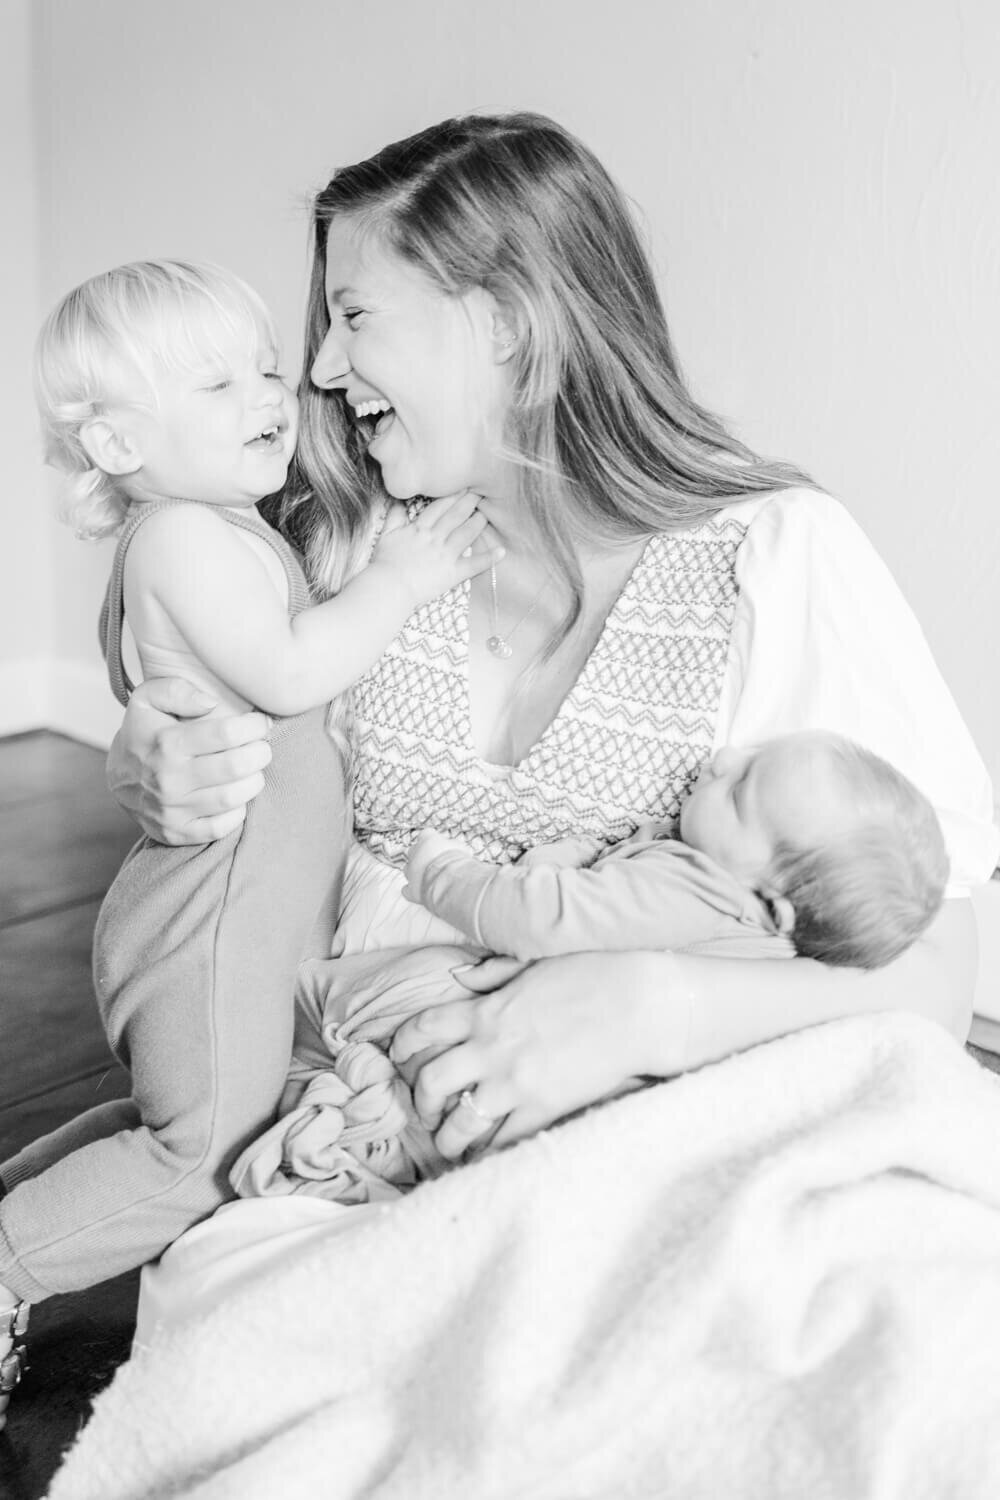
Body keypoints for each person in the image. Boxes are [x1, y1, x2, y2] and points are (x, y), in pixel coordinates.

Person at [51, 113, 998, 1336]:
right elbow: (188, 675)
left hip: (653, 1092)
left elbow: (937, 973)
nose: (324, 371)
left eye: (356, 316)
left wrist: (639, 1011)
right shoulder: (344, 546)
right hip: (351, 1094)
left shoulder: (772, 556)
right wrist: (151, 751)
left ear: (505, 322)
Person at [0, 258, 500, 1420]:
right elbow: (290, 670)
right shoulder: (180, 537)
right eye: (217, 383)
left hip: (231, 907)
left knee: (177, 1116)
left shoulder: (216, 527)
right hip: (211, 910)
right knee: (199, 1153)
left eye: (266, 367)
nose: (269, 394)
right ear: (118, 445)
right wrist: (397, 576)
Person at [229, 729, 950, 1207]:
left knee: (362, 1000)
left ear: (772, 900)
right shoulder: (749, 928)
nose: (723, 759)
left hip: (488, 1017)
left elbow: (546, 919)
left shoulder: (696, 887)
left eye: (741, 791)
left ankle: (316, 1117)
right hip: (552, 1086)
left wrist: (443, 874)